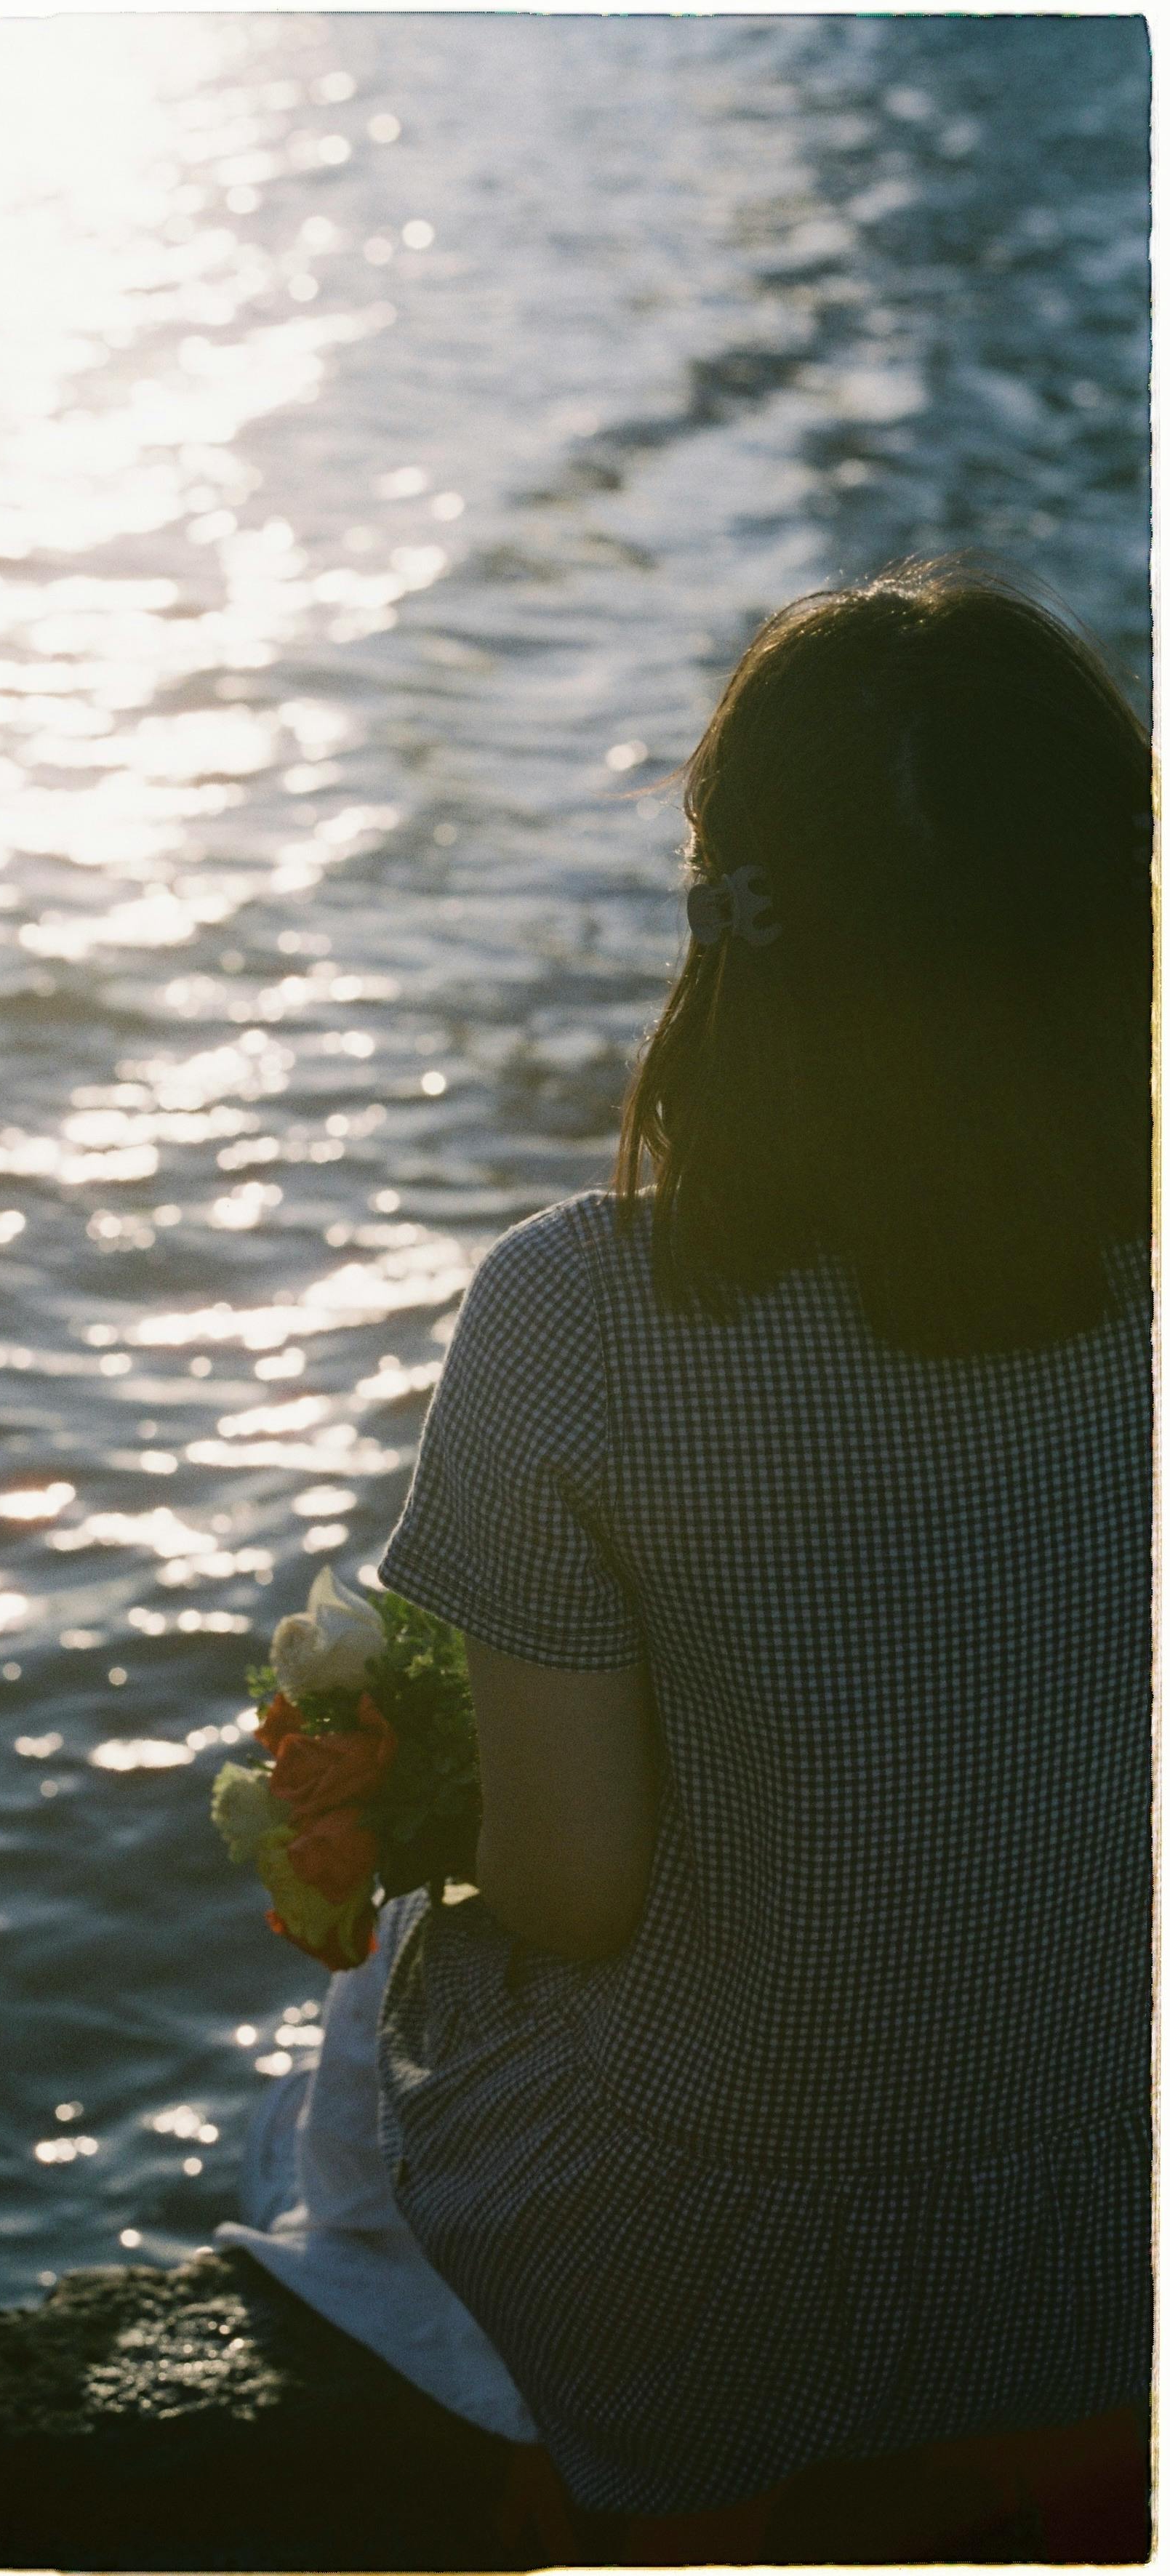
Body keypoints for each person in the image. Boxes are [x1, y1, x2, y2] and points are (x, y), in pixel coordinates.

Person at [372, 558, 1153, 2557]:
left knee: (397, 1995)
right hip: (1118, 2233)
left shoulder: (579, 1319)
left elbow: (571, 1886)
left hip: (709, 2267)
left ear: (739, 930)